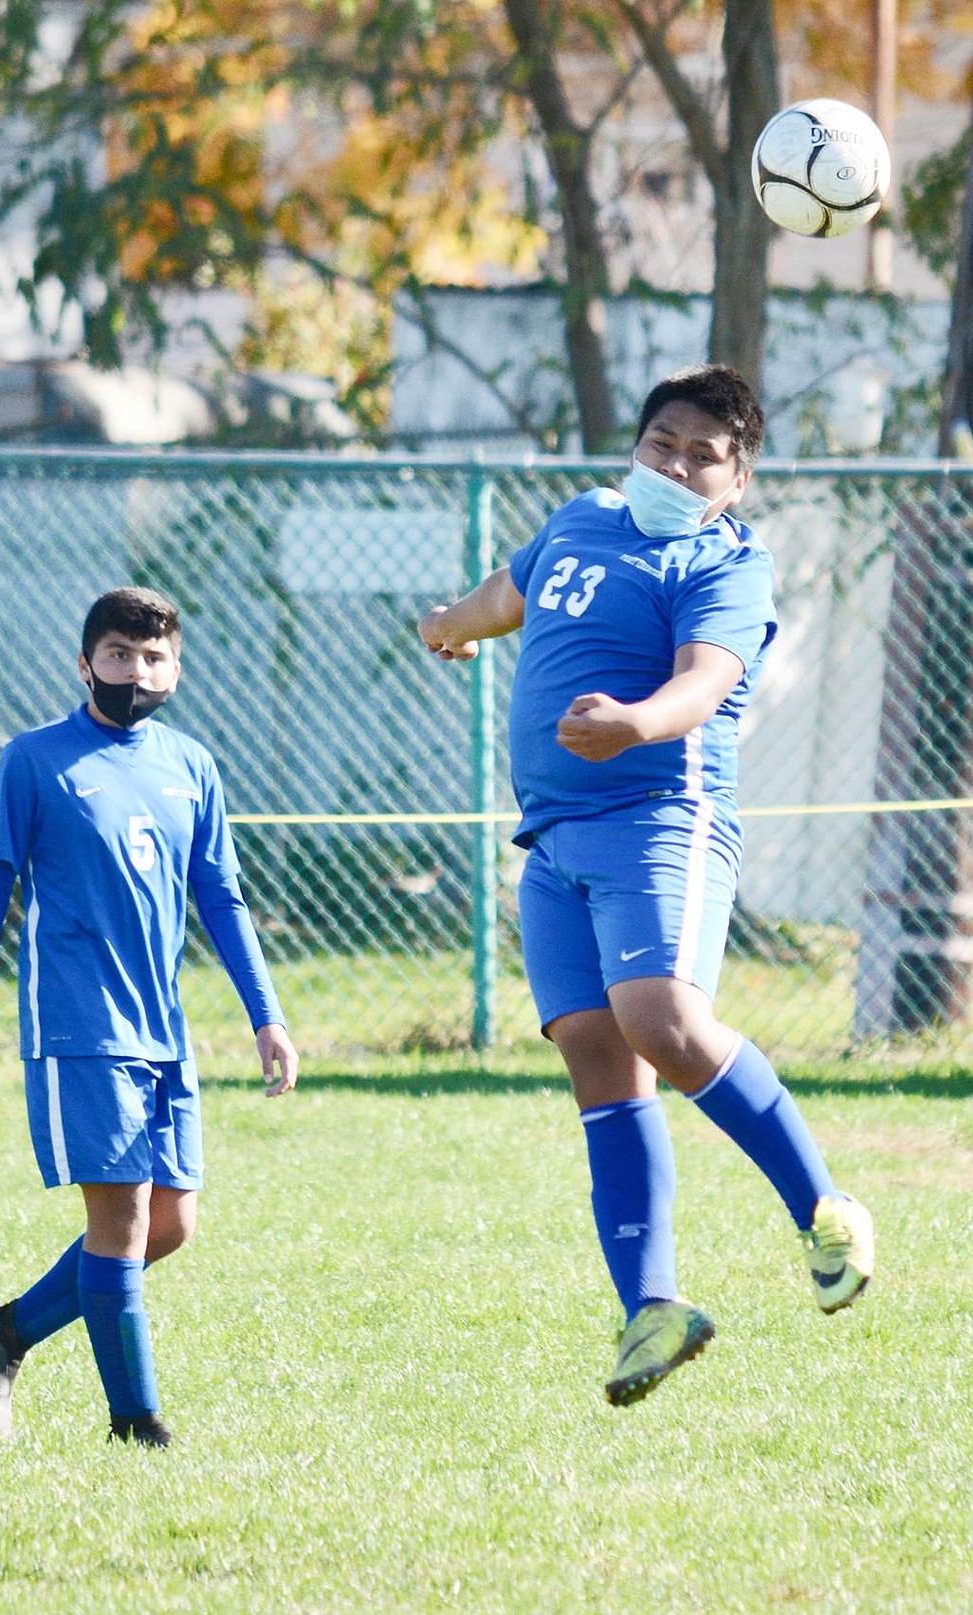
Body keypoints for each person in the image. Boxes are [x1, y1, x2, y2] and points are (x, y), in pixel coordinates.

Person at [418, 364, 873, 1407]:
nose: (674, 464)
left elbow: (705, 681)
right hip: (554, 838)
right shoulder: (582, 517)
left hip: (657, 819)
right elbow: (513, 592)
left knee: (661, 1019)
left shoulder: (725, 562)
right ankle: (651, 1309)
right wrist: (449, 621)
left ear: (736, 477)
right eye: (661, 442)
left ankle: (825, 1211)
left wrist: (634, 720)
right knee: (595, 1055)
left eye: (701, 453)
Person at [0, 586, 298, 1446]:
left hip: (163, 1028)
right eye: (120, 655)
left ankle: (5, 1331)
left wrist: (267, 1014)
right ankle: (136, 1423)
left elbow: (223, 896)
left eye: (155, 658)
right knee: (123, 1219)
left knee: (169, 1225)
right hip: (79, 1024)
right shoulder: (35, 761)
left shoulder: (191, 764)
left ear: (176, 667)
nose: (137, 672)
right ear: (86, 662)